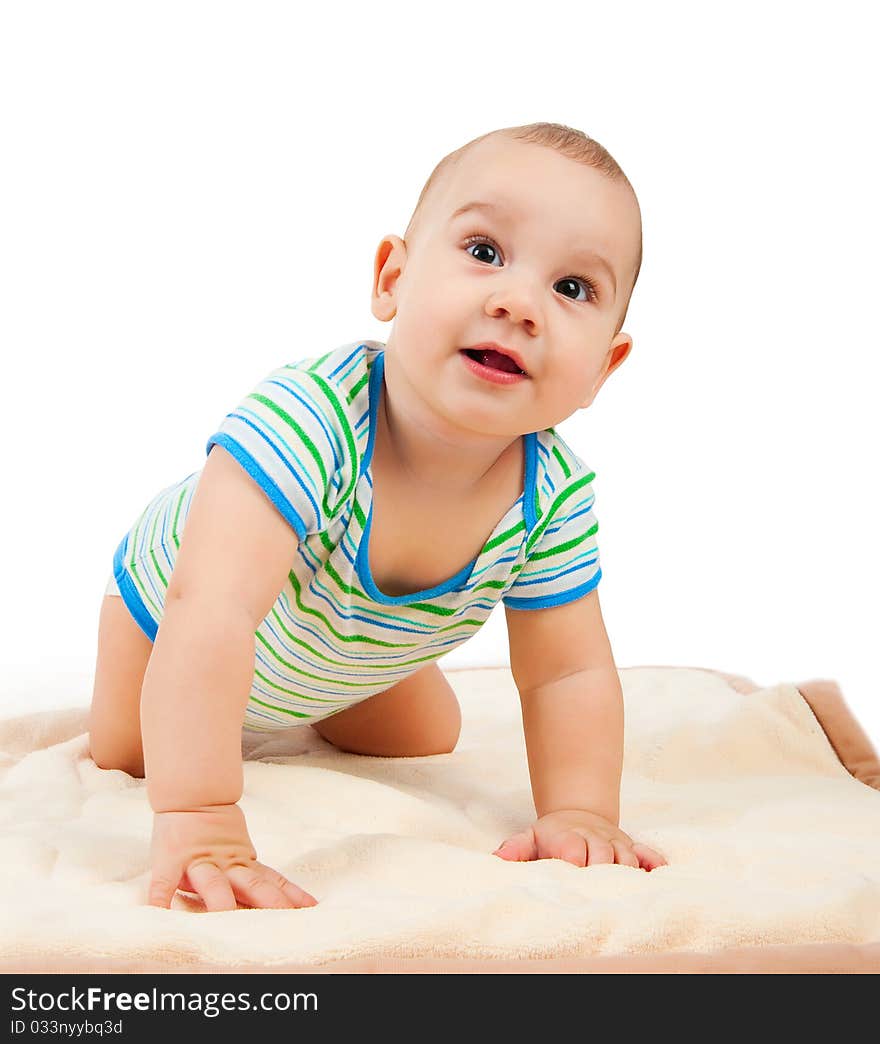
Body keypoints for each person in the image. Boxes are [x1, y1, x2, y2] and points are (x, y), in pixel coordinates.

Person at [88, 121, 667, 913]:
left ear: (603, 366)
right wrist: (201, 819)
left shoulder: (552, 494)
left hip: (333, 639)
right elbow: (210, 612)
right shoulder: (310, 419)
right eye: (485, 252)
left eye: (572, 289)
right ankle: (219, 720)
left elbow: (567, 670)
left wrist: (580, 811)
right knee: (128, 753)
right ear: (392, 277)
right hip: (169, 616)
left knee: (429, 736)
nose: (518, 303)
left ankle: (334, 668)